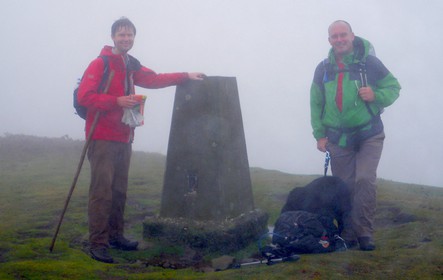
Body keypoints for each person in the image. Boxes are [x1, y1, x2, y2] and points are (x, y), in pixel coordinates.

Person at [77, 17, 205, 263]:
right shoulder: (100, 63)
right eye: (121, 35)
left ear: (134, 38)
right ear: (113, 37)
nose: (126, 39)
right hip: (102, 137)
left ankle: (116, 236)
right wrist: (116, 101)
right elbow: (85, 96)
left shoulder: (130, 64)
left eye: (130, 35)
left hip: (125, 136)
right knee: (102, 192)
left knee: (119, 191)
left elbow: (154, 79)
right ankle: (98, 243)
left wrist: (186, 75)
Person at [309, 20, 400, 251]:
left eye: (343, 35)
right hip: (338, 139)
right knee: (345, 186)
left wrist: (376, 94)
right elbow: (316, 102)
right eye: (334, 36)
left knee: (364, 180)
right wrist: (319, 135)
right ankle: (348, 234)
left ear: (352, 35)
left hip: (369, 134)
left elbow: (394, 87)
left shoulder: (368, 62)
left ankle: (365, 233)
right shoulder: (323, 68)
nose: (339, 40)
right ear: (329, 40)